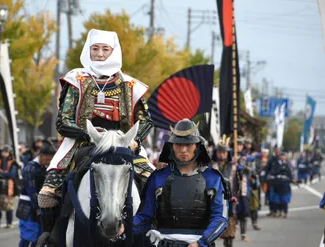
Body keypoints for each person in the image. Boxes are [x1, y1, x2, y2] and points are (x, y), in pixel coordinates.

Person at [37, 29, 153, 235]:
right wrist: (88, 133)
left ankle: (151, 234)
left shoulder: (129, 84)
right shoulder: (76, 80)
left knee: (155, 185)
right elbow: (64, 120)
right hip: (82, 142)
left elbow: (145, 121)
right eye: (95, 49)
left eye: (105, 49)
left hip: (123, 144)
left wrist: (134, 141)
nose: (100, 54)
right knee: (48, 193)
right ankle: (50, 236)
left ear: (113, 51)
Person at [132, 119, 228, 247]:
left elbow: (220, 218)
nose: (183, 149)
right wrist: (123, 227)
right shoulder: (158, 177)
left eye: (188, 144)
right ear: (171, 146)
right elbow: (144, 216)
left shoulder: (213, 178)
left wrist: (201, 242)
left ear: (197, 146)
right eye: (178, 144)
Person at [18, 141, 56, 247]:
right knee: (27, 237)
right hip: (28, 206)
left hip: (38, 205)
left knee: (39, 237)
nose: (50, 161)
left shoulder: (44, 167)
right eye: (48, 159)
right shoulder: (30, 168)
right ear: (42, 156)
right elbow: (31, 191)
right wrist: (39, 207)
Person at [212, 135, 237, 247]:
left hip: (229, 199)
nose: (222, 154)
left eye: (224, 152)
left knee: (230, 225)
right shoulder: (211, 167)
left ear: (227, 154)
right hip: (214, 199)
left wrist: (235, 195)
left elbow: (237, 183)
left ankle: (229, 243)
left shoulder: (233, 168)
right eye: (220, 152)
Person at [266, 150, 293, 218]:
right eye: (281, 155)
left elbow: (290, 174)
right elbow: (272, 172)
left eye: (284, 155)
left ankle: (284, 212)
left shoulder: (288, 164)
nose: (283, 157)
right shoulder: (275, 164)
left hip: (285, 184)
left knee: (284, 199)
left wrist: (289, 179)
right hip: (277, 184)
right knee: (277, 199)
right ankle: (278, 211)